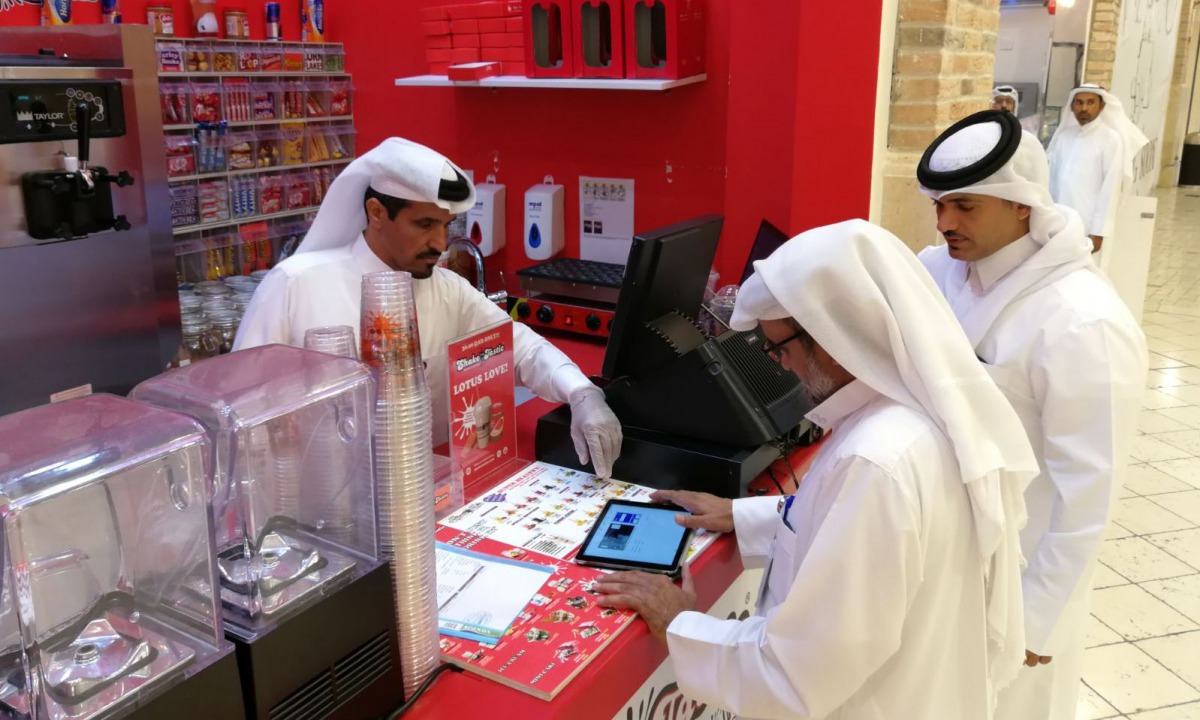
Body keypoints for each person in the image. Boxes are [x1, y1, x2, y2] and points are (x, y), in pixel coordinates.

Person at [594, 219, 1039, 720]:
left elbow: (798, 675)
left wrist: (682, 625)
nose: (778, 367)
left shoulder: (877, 460)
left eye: (779, 348)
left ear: (835, 334)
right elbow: (851, 529)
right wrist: (740, 515)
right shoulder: (908, 415)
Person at [916, 109, 1148, 720]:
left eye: (965, 206)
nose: (945, 223)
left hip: (1019, 581)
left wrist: (1037, 617)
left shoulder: (1080, 319)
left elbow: (1089, 491)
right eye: (939, 205)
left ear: (1021, 205)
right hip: (943, 561)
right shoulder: (940, 272)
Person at [234, 137, 623, 477]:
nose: (440, 243)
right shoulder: (296, 285)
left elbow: (522, 349)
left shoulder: (446, 290)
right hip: (325, 504)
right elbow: (245, 414)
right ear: (376, 213)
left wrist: (582, 394)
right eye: (424, 225)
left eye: (447, 225)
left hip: (428, 493)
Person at [1046, 84, 1149, 254]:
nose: (1084, 108)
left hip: (1088, 222)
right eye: (1079, 103)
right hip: (1059, 220)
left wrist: (1099, 231)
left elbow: (1111, 188)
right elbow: (1052, 180)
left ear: (1102, 107)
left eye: (1090, 102)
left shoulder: (1110, 139)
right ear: (1072, 107)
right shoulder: (1064, 136)